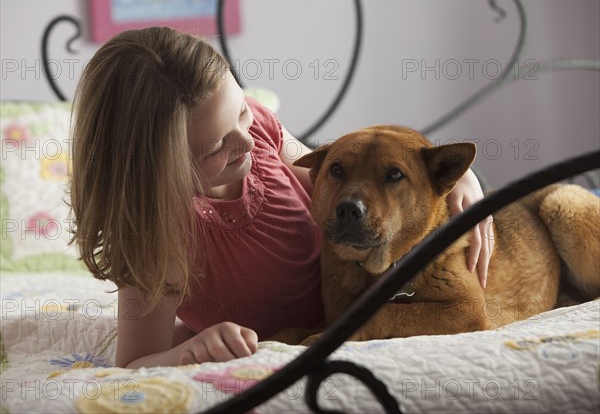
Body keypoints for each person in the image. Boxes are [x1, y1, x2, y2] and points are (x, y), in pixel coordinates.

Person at [70, 27, 493, 368]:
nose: (247, 142)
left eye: (240, 111)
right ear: (157, 172)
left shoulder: (259, 135)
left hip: (364, 299)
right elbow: (135, 363)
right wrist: (187, 352)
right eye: (216, 147)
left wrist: (456, 178)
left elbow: (341, 176)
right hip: (304, 336)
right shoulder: (155, 238)